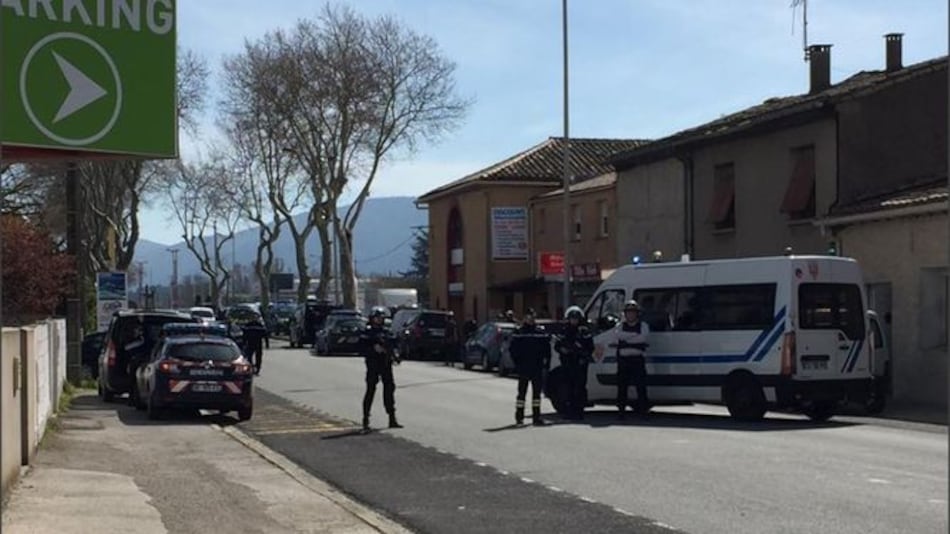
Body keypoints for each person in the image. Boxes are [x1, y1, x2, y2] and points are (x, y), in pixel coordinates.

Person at [359, 306, 402, 432]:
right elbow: (361, 347)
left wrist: (395, 354)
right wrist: (373, 348)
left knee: (389, 389)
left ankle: (392, 418)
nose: (379, 320)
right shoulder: (367, 332)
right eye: (377, 318)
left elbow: (394, 344)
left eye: (381, 318)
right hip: (373, 364)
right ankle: (366, 419)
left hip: (385, 363)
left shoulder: (387, 332)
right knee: (371, 389)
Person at [507, 308, 550, 426]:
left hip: (537, 367)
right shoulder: (519, 332)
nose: (530, 319)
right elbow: (513, 349)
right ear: (524, 318)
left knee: (537, 395)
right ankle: (519, 417)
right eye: (528, 317)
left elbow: (546, 349)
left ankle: (536, 417)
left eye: (532, 317)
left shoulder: (539, 332)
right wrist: (517, 364)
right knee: (521, 394)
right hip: (524, 367)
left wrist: (545, 363)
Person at [609, 300, 651, 419]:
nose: (630, 314)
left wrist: (626, 339)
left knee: (641, 387)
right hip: (624, 361)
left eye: (633, 312)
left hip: (637, 360)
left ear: (637, 313)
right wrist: (634, 336)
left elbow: (643, 338)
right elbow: (616, 336)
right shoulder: (620, 326)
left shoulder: (643, 326)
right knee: (622, 387)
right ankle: (621, 412)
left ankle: (643, 412)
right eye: (628, 312)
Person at [554, 306, 594, 420]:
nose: (574, 320)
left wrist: (583, 354)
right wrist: (563, 350)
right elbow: (557, 346)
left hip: (580, 364)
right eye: (572, 318)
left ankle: (579, 411)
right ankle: (569, 412)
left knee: (580, 388)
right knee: (568, 388)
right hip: (567, 363)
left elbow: (590, 347)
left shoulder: (584, 331)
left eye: (576, 318)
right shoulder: (564, 330)